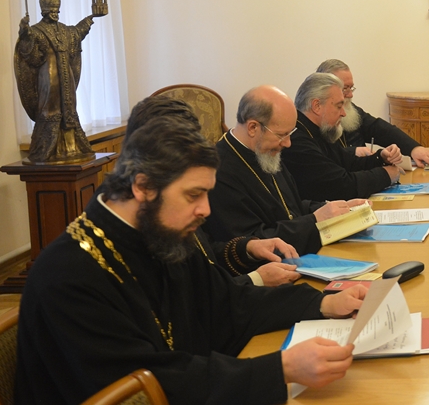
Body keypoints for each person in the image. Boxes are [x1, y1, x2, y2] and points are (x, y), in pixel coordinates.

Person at [14, 116, 368, 405]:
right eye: (193, 195)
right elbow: (141, 391)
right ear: (143, 186)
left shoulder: (159, 233)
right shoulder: (68, 275)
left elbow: (228, 303)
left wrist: (323, 302)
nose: (205, 210)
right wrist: (280, 369)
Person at [115, 95, 301, 287]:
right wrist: (256, 280)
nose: (205, 210)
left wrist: (248, 248)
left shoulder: (161, 199)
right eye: (192, 195)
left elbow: (204, 257)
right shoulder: (129, 237)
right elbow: (192, 296)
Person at [205, 85, 363, 255]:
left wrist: (333, 209)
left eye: (290, 133)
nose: (288, 143)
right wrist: (315, 220)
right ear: (253, 128)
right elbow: (255, 242)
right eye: (282, 135)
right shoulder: (219, 172)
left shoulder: (265, 152)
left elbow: (290, 208)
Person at [13, 0, 107, 163]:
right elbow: (29, 53)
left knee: (69, 107)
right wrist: (24, 32)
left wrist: (91, 17)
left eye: (57, 11)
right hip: (48, 78)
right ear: (44, 11)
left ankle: (72, 147)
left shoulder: (64, 30)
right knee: (50, 108)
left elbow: (77, 32)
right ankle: (47, 149)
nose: (55, 14)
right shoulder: (36, 31)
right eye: (52, 11)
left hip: (66, 77)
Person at [284, 72, 403, 201]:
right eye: (339, 106)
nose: (343, 113)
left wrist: (381, 157)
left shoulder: (320, 130)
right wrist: (386, 175)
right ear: (317, 106)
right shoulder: (297, 142)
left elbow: (348, 162)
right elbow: (340, 186)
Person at [316, 59, 429, 167]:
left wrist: (414, 149)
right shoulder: (315, 121)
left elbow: (380, 129)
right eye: (345, 89)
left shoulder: (351, 110)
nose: (350, 95)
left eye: (351, 88)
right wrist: (353, 152)